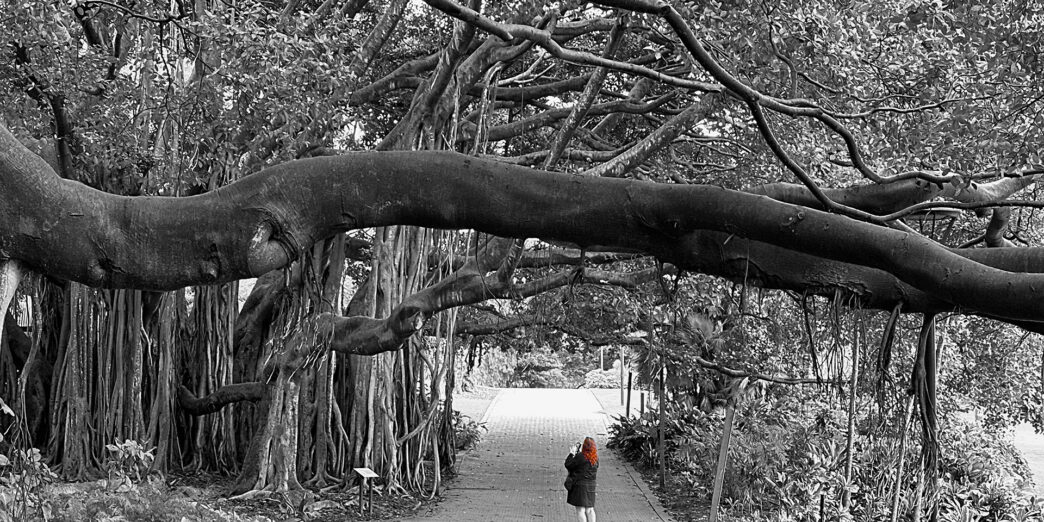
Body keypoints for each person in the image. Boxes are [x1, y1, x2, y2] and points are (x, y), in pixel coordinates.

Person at [564, 436, 598, 522]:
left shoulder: (581, 456)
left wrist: (572, 453)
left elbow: (569, 465)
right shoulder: (596, 458)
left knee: (580, 510)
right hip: (591, 486)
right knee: (590, 510)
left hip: (580, 486)